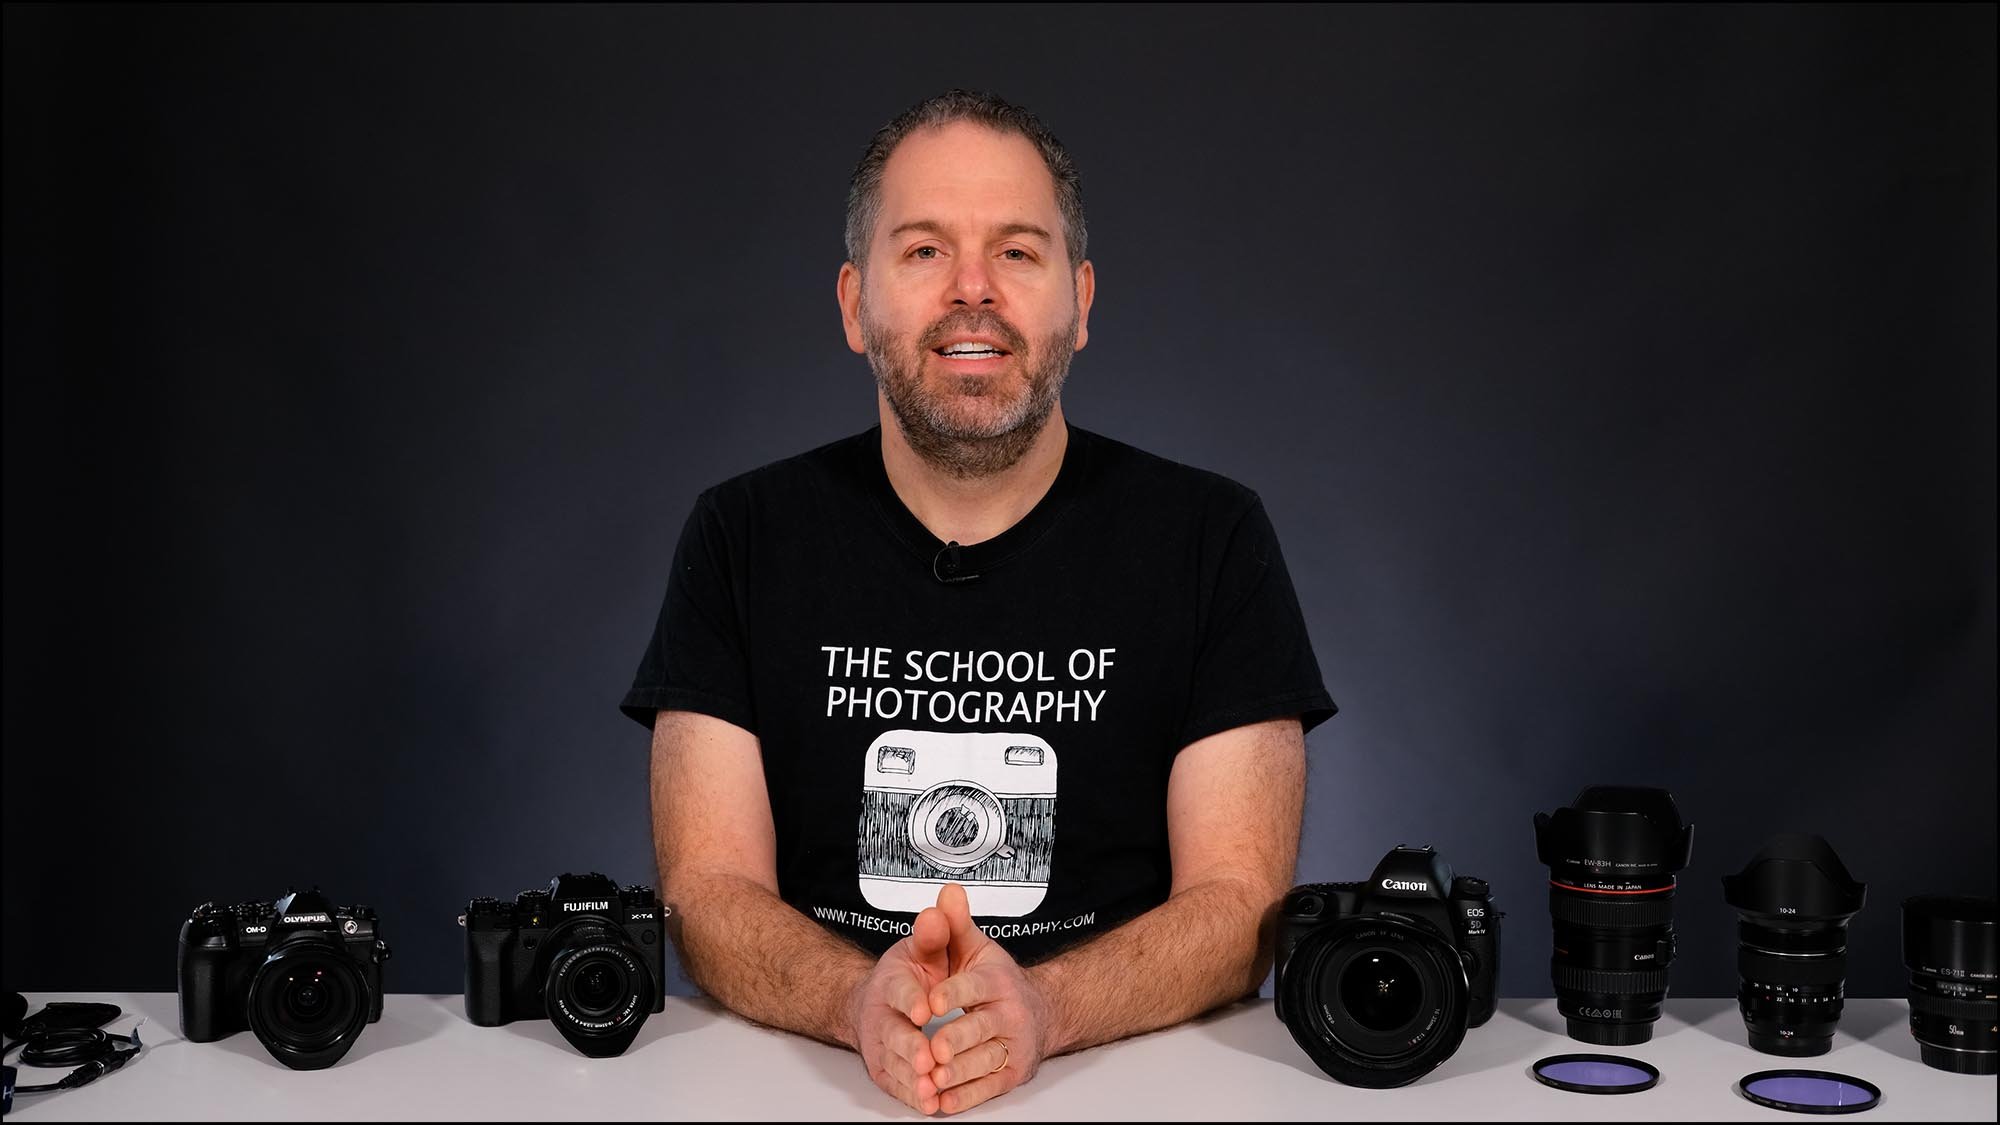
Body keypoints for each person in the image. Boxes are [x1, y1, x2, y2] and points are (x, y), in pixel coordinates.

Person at [623, 89, 1335, 1115]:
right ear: (850, 303)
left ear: (1079, 301)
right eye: (921, 252)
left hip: (1127, 1085)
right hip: (804, 1089)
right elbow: (705, 887)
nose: (972, 291)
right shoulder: (742, 534)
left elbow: (1238, 905)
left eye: (1015, 251)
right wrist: (854, 1001)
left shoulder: (1206, 537)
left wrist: (1041, 1008)